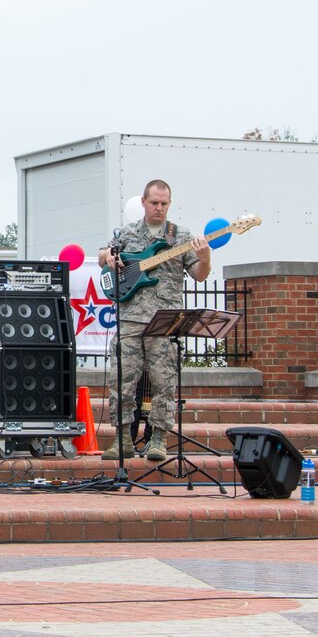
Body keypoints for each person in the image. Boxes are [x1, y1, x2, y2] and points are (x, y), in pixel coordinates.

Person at [97, 180, 210, 462]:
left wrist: (205, 257)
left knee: (163, 382)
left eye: (164, 203)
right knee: (122, 379)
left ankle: (158, 438)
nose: (159, 208)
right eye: (154, 202)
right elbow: (102, 256)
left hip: (165, 318)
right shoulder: (126, 233)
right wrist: (108, 257)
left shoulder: (181, 236)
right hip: (131, 316)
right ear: (144, 202)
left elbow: (200, 275)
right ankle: (122, 438)